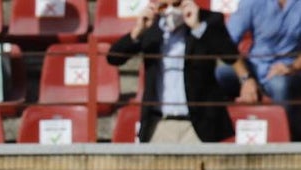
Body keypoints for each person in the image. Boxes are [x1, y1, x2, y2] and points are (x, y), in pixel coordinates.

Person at [107, 0, 247, 143]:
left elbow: (229, 55)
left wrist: (198, 27)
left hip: (198, 125)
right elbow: (113, 58)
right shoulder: (152, 27)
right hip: (160, 124)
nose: (170, 11)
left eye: (176, 5)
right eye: (164, 6)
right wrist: (137, 31)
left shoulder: (208, 21)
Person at [216, 0, 301, 140]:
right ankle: (216, 135)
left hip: (286, 71)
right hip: (253, 66)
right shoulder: (252, 2)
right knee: (218, 74)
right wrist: (245, 78)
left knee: (281, 86)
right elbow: (227, 42)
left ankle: (289, 143)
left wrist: (293, 67)